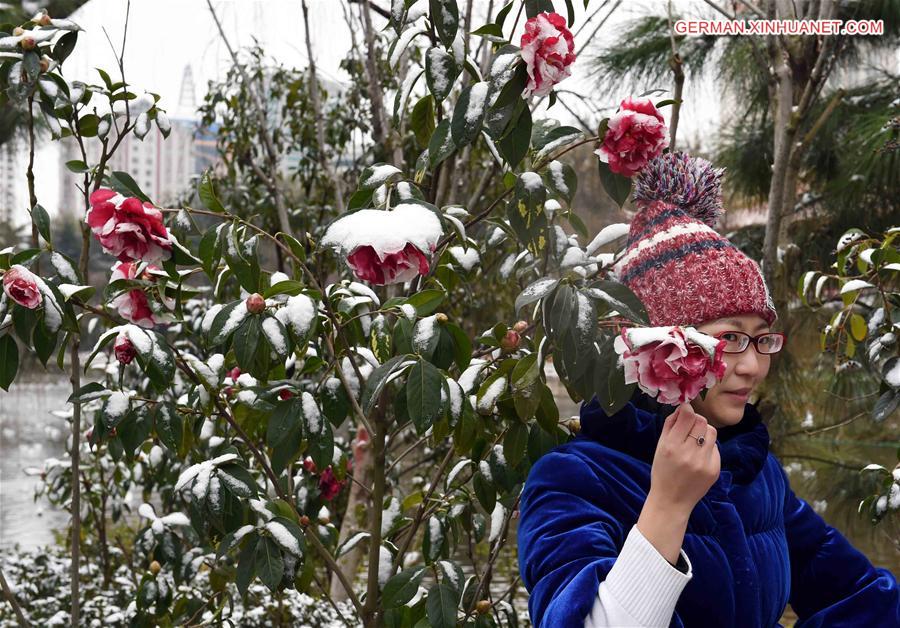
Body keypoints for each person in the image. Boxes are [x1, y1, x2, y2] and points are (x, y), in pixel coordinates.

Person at [517, 152, 900, 627]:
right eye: (731, 338)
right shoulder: (573, 481)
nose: (754, 366)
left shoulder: (754, 471)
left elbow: (863, 598)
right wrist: (668, 505)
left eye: (762, 338)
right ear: (657, 344)